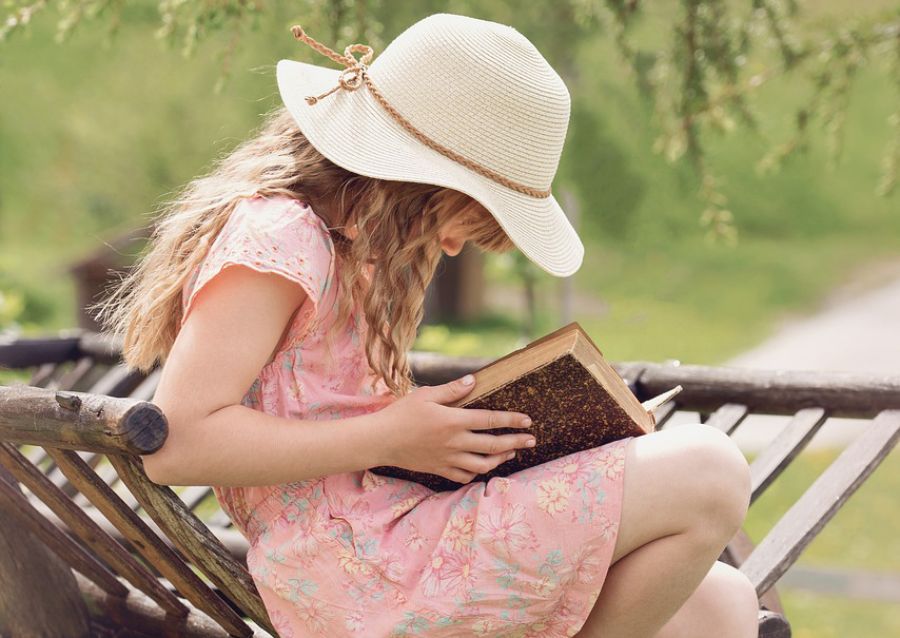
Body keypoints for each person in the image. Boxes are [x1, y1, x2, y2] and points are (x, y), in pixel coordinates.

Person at [96, 13, 758, 638]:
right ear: (419, 179)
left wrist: (437, 440)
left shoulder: (352, 249)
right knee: (710, 469)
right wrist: (391, 434)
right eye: (464, 220)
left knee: (722, 603)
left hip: (400, 535)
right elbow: (178, 442)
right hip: (359, 579)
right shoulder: (280, 235)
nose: (448, 249)